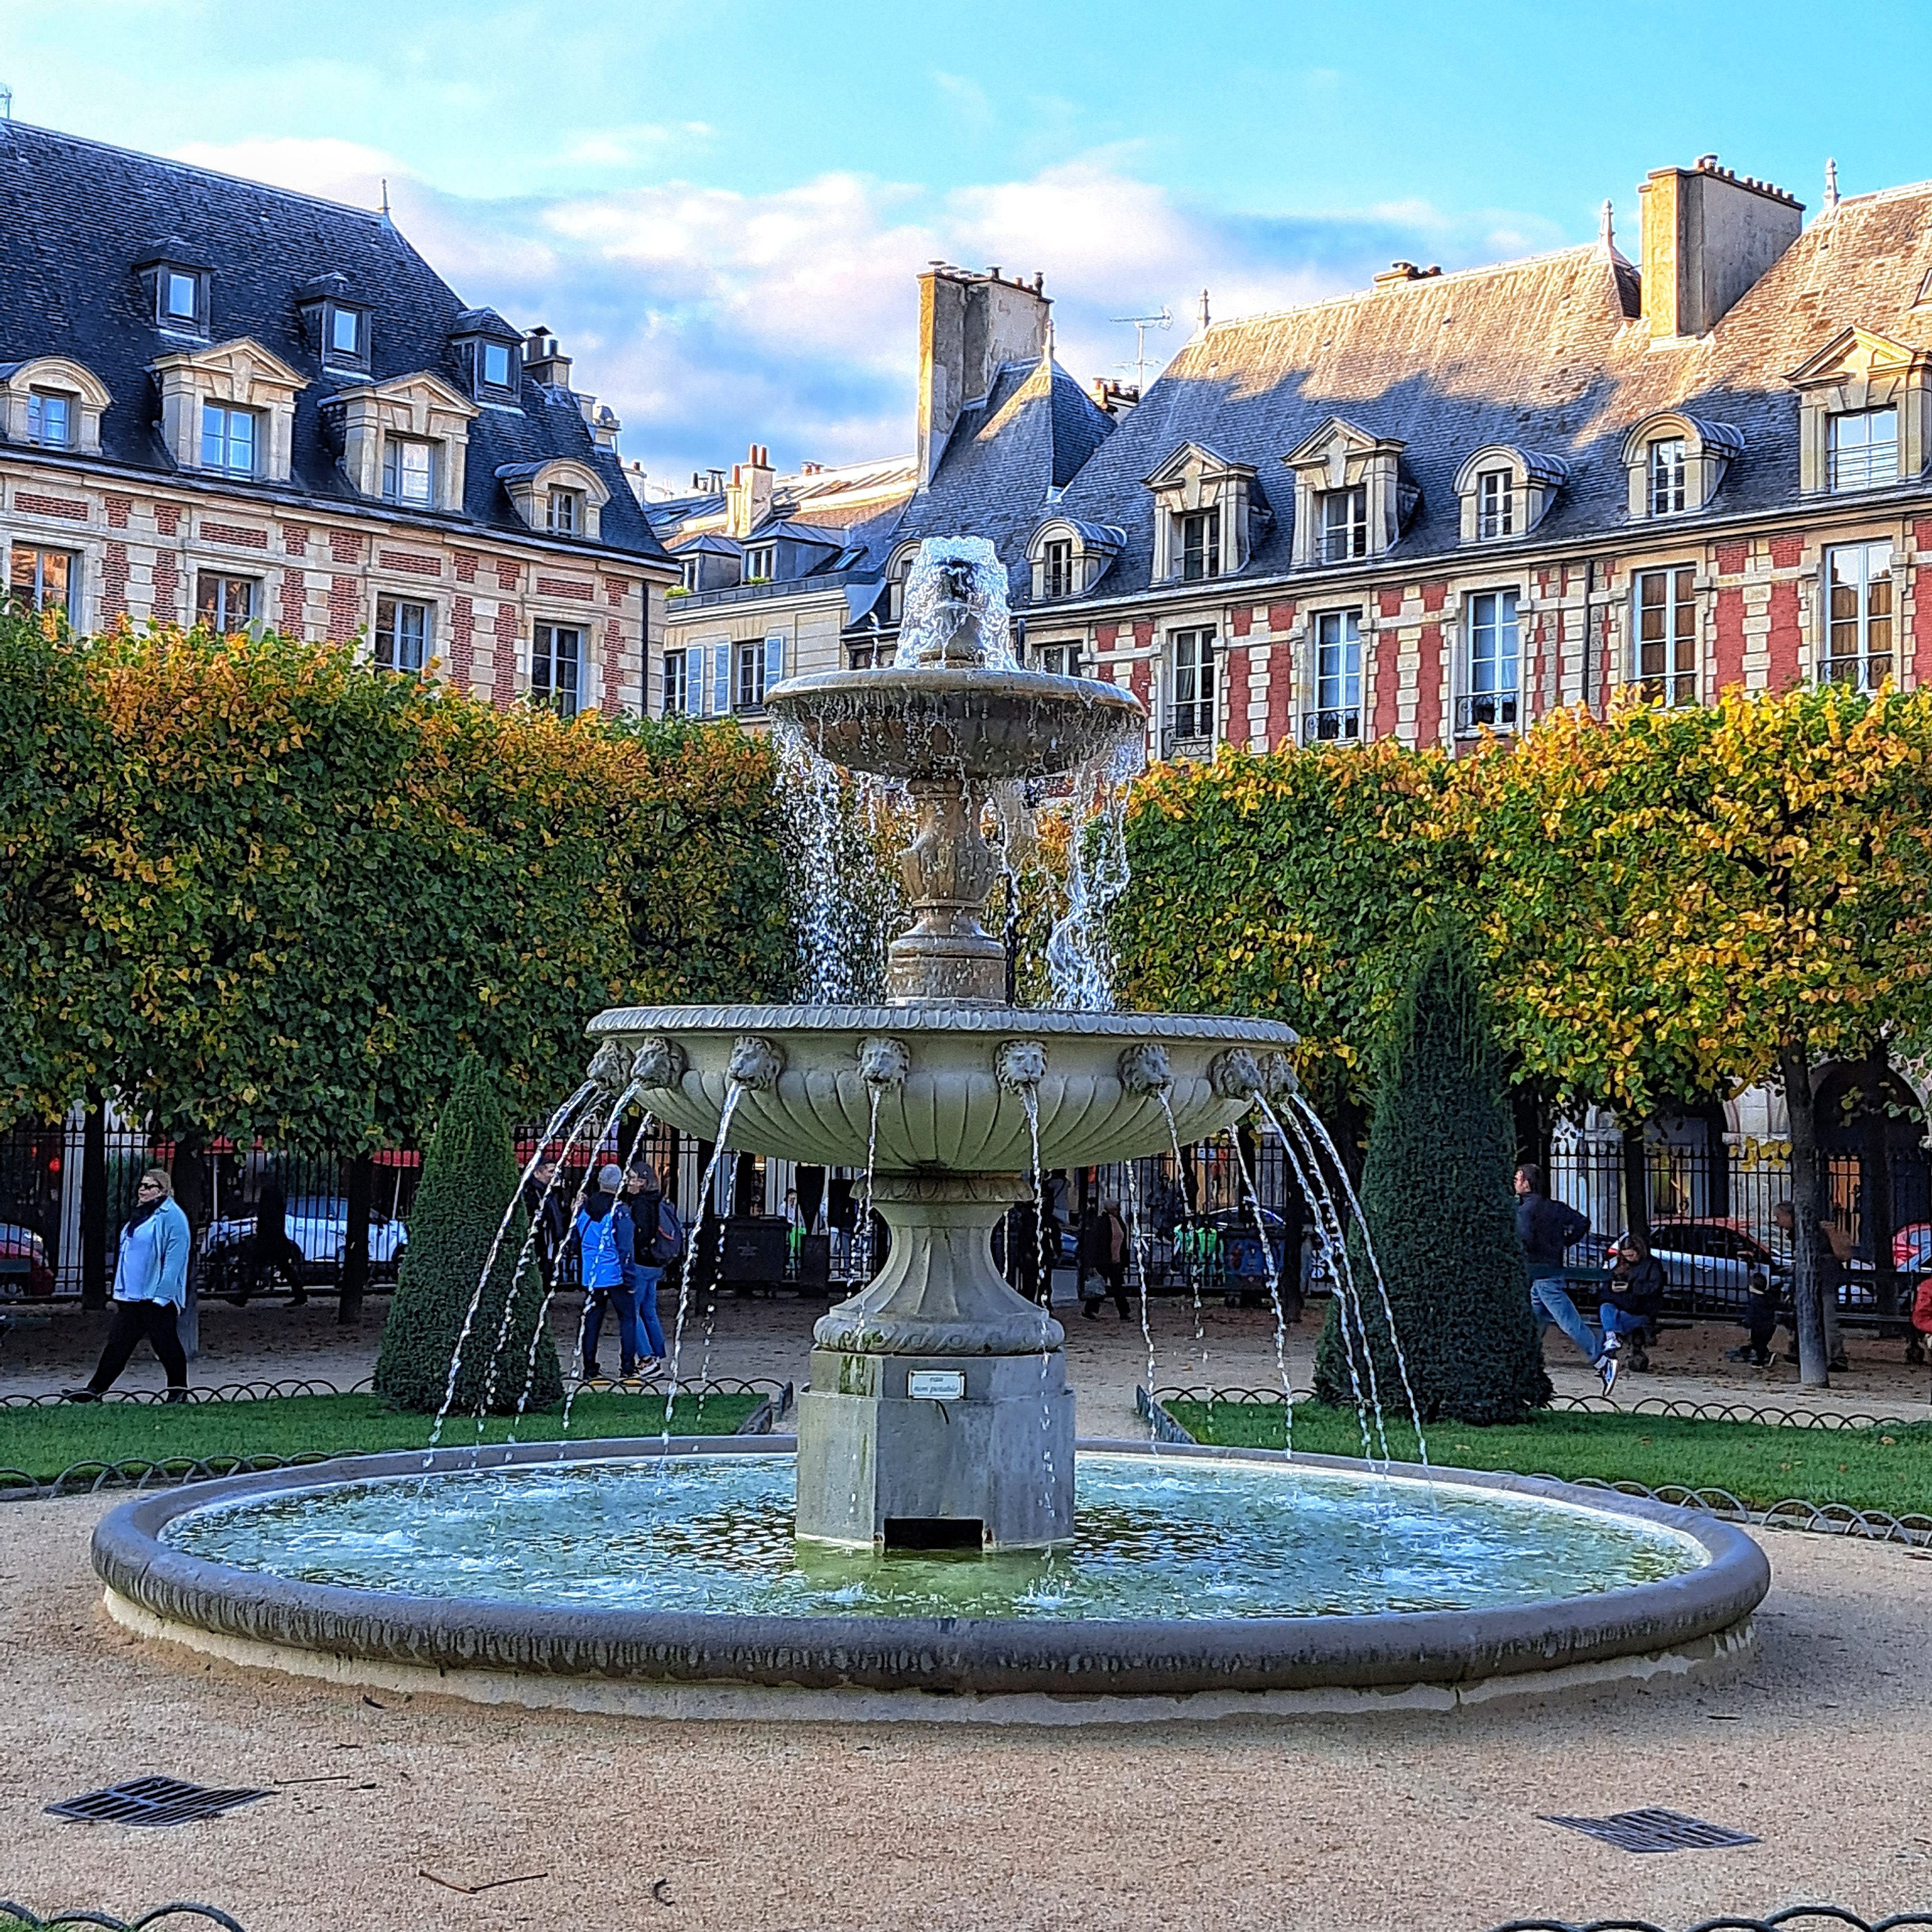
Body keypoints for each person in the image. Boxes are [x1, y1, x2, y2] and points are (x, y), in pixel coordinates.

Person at [64, 1168, 192, 1402]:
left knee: (165, 1344)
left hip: (155, 1296)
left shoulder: (172, 1217)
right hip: (134, 1295)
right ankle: (94, 1390)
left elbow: (175, 1259)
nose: (142, 1190)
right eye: (142, 1185)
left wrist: (162, 1295)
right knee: (118, 1344)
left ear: (162, 1190)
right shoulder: (142, 1214)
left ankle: (179, 1391)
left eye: (149, 1186)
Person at [1515, 1163, 1617, 1393]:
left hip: (1540, 1273)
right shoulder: (1554, 1207)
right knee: (1535, 1322)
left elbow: (1524, 1239)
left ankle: (1602, 1361)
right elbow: (1582, 1223)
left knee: (1568, 1321)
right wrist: (1564, 1242)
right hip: (1551, 1270)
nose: (1516, 1182)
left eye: (1518, 1178)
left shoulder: (1525, 1210)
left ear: (1527, 1183)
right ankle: (1524, 1368)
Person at [576, 1163, 638, 1381]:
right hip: (615, 1274)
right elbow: (625, 1248)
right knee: (628, 1319)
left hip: (592, 1275)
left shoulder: (584, 1210)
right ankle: (628, 1367)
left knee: (592, 1321)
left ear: (600, 1182)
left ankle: (589, 1368)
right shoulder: (619, 1211)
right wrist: (630, 1278)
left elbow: (575, 1240)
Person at [622, 1163, 672, 1370]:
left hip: (641, 1263)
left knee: (632, 1312)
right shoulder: (656, 1200)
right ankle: (657, 1351)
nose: (629, 1182)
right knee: (649, 1310)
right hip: (655, 1263)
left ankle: (646, 1357)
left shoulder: (640, 1204)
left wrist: (633, 1251)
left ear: (642, 1182)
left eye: (633, 1178)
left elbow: (641, 1233)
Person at [1599, 1231, 1665, 1373]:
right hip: (1619, 1306)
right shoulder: (1620, 1266)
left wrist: (1631, 1288)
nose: (1630, 1259)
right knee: (1606, 1308)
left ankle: (1609, 1347)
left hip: (1640, 1311)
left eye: (1631, 1255)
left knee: (1614, 1321)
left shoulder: (1652, 1265)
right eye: (1626, 1256)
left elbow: (1653, 1289)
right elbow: (1605, 1292)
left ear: (1639, 1251)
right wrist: (1613, 1288)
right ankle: (1612, 1338)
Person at [244, 1175, 307, 1306]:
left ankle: (243, 1296)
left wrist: (263, 1233)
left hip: (271, 1238)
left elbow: (269, 1217)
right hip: (274, 1237)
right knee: (282, 1267)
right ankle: (300, 1295)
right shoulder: (274, 1194)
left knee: (259, 1266)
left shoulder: (270, 1195)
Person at [1080, 1198, 1131, 1320]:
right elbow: (1096, 1243)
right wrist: (1092, 1262)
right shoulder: (1102, 1222)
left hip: (1116, 1260)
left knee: (1117, 1287)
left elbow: (1122, 1242)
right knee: (1103, 1286)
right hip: (1104, 1260)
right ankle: (1092, 1309)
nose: (1117, 1209)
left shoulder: (1119, 1221)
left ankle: (1123, 1312)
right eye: (1115, 1207)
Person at [521, 1156, 568, 1288]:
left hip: (550, 1242)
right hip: (541, 1243)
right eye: (551, 1172)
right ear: (537, 1173)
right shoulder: (532, 1193)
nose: (554, 1175)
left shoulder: (551, 1192)